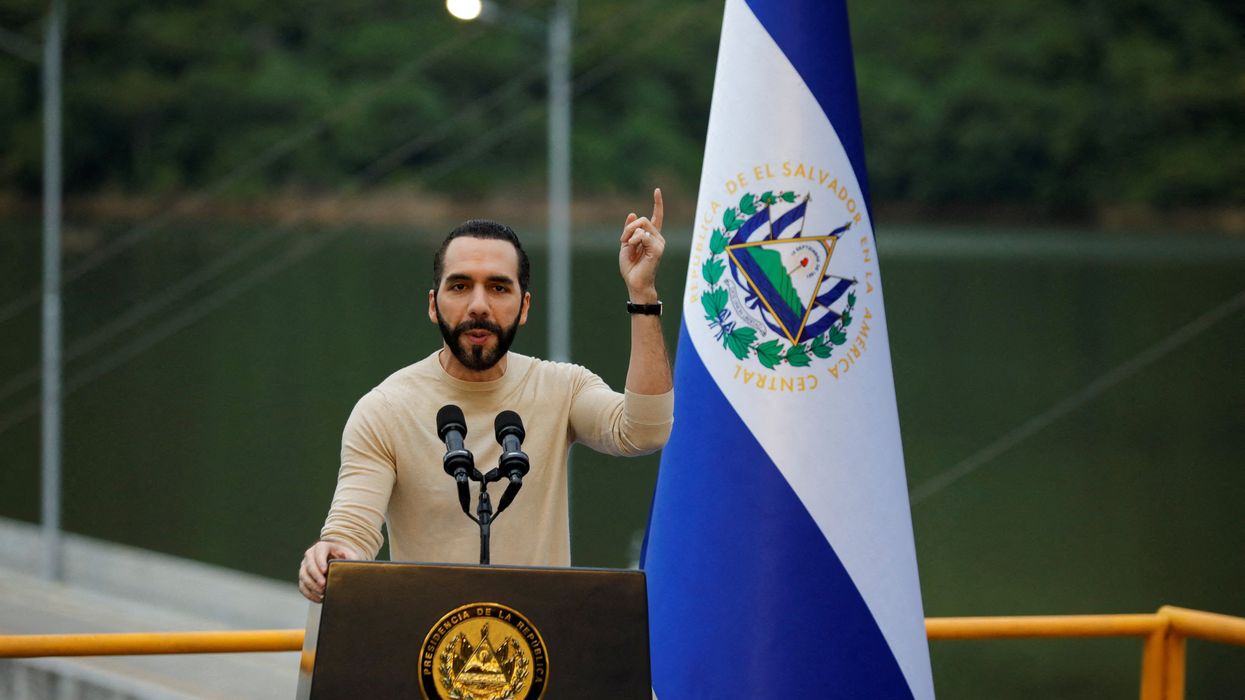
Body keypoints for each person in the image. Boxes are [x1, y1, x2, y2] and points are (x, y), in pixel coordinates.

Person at [298, 189, 674, 602]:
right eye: (460, 286)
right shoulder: (384, 410)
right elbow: (351, 533)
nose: (478, 305)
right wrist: (331, 558)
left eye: (498, 288)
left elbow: (645, 431)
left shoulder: (563, 388)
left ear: (524, 307)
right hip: (431, 637)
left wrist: (643, 295)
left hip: (541, 637)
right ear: (433, 304)